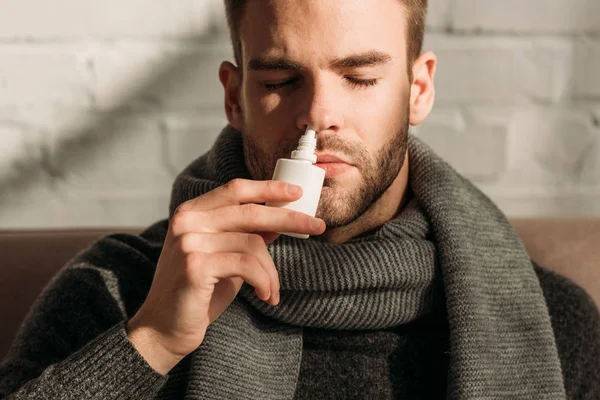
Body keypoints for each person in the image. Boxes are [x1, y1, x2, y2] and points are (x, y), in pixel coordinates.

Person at [1, 0, 599, 398]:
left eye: (360, 77)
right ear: (235, 98)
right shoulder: (118, 290)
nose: (317, 116)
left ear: (418, 90)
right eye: (281, 82)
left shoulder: (551, 322)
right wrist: (153, 341)